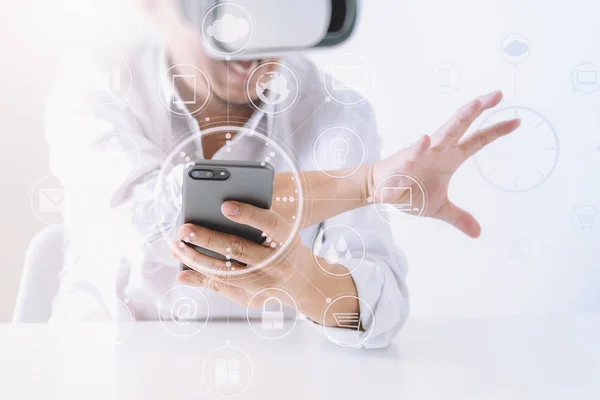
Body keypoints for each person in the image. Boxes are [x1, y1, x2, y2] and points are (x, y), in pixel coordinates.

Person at [45, 0, 519, 348]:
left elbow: (384, 307)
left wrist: (303, 281)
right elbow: (150, 220)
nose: (252, 54)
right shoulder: (97, 84)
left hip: (276, 376)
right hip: (104, 364)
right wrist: (364, 184)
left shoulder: (334, 112)